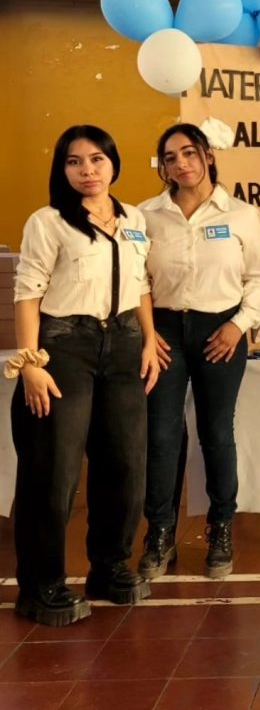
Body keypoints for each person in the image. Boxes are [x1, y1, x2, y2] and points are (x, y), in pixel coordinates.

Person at [7, 126, 159, 626]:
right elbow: (28, 292)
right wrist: (31, 362)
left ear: (113, 163)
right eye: (74, 162)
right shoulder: (48, 221)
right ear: (62, 169)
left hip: (124, 346)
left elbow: (140, 284)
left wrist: (149, 340)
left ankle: (109, 567)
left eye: (97, 159)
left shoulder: (134, 218)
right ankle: (41, 586)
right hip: (63, 347)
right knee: (53, 471)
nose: (87, 170)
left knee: (125, 465)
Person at [137, 123, 260, 580]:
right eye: (170, 157)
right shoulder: (146, 215)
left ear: (208, 156)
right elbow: (137, 279)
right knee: (161, 435)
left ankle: (221, 529)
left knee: (216, 432)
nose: (181, 164)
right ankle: (160, 533)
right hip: (164, 333)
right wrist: (148, 333)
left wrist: (238, 325)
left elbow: (258, 277)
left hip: (222, 331)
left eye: (189, 153)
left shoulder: (241, 214)